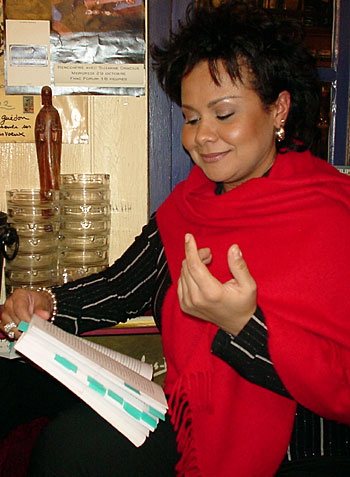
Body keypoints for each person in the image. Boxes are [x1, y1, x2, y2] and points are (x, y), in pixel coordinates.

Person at [1, 1, 350, 475]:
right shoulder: (189, 205)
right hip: (194, 423)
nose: (201, 136)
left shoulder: (332, 213)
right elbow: (121, 287)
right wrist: (44, 303)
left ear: (279, 109)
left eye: (223, 114)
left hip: (306, 446)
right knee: (66, 447)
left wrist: (243, 325)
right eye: (190, 117)